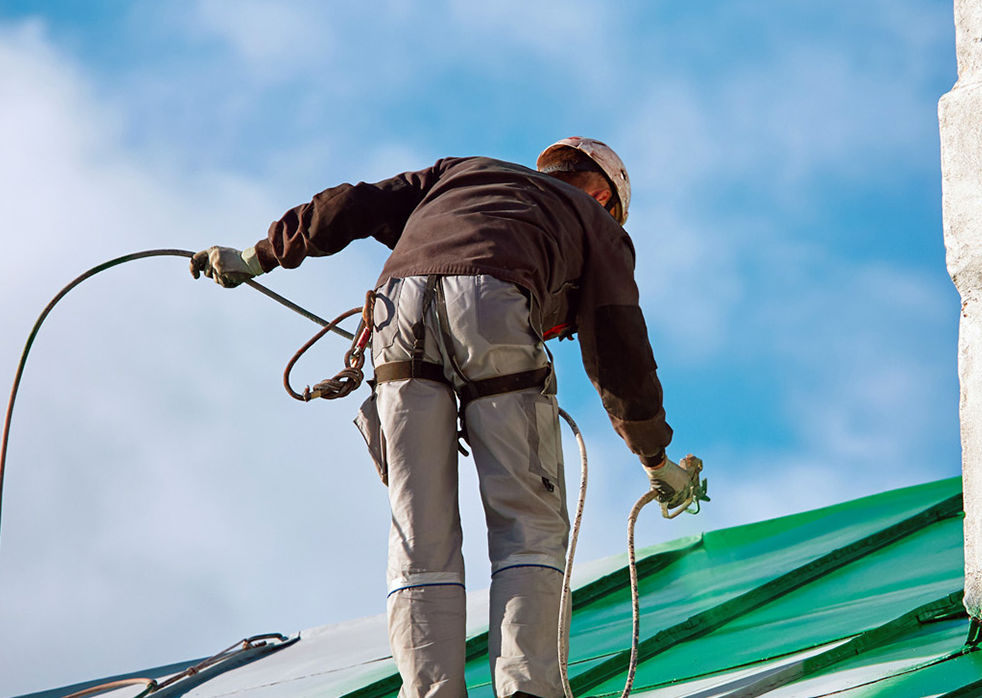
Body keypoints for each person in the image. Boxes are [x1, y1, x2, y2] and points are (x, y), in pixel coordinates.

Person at [190, 137, 701, 698]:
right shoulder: (596, 224)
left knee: (418, 529)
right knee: (529, 524)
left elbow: (348, 205)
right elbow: (619, 349)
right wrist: (654, 456)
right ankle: (528, 690)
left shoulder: (463, 173)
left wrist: (258, 256)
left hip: (394, 314)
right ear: (604, 195)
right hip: (495, 306)